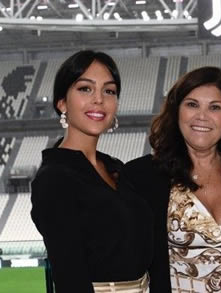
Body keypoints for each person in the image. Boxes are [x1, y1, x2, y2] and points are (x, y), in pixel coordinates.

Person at [120, 66, 221, 292]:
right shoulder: (142, 177)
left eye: (215, 107)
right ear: (176, 112)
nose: (202, 116)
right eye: (192, 104)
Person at [30, 50, 152, 293]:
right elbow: (69, 277)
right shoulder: (54, 179)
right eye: (85, 88)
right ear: (61, 102)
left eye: (109, 91)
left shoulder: (115, 167)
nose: (99, 99)